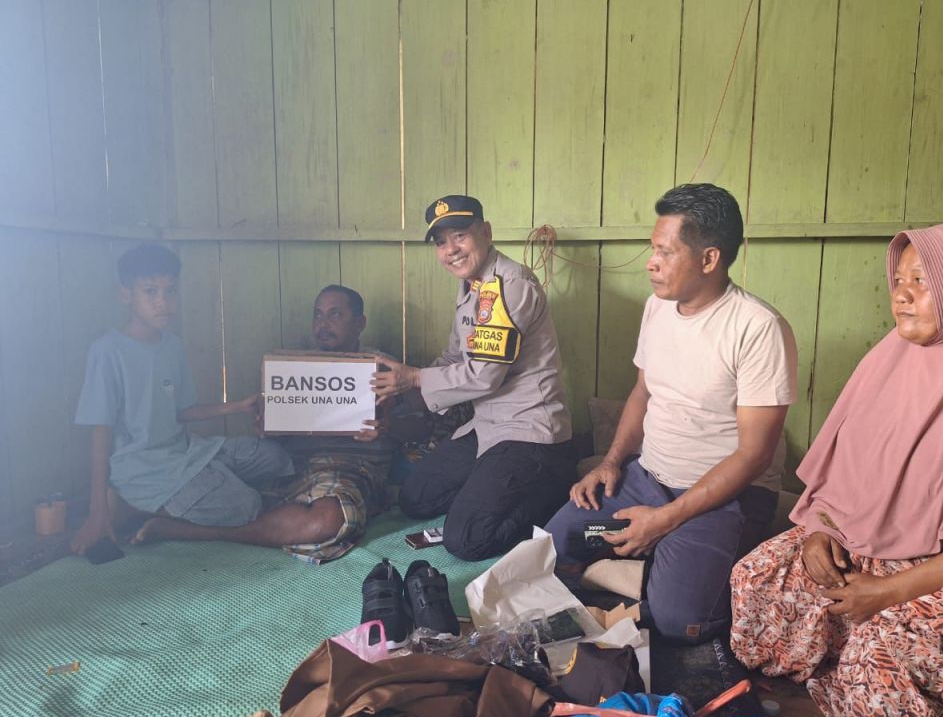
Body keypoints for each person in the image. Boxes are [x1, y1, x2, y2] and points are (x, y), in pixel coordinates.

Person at [730, 223, 943, 717]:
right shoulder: (888, 362)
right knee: (758, 580)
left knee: (885, 679)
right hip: (867, 547)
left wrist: (888, 591)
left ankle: (869, 680)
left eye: (923, 281)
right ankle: (840, 671)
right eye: (899, 279)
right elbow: (840, 478)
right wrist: (818, 533)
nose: (902, 294)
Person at [544, 183, 797, 643]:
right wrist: (611, 462)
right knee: (550, 549)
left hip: (723, 497)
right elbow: (642, 392)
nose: (651, 262)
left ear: (709, 259)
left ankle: (659, 567)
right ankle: (653, 564)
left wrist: (666, 519)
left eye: (665, 251)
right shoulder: (656, 308)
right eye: (653, 249)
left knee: (680, 622)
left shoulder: (758, 328)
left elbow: (754, 456)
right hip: (647, 479)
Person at [130, 283, 402, 560]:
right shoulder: (294, 364)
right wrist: (268, 426)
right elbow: (275, 433)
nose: (323, 324)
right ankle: (136, 507)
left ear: (359, 323)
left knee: (329, 519)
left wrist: (387, 426)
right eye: (317, 315)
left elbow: (418, 428)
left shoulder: (383, 367)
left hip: (349, 470)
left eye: (335, 315)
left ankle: (191, 531)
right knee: (207, 468)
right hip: (290, 466)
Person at [371, 194, 575, 561]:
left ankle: (553, 487)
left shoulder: (510, 285)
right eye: (440, 242)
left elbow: (484, 376)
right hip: (486, 426)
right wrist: (398, 391)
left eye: (459, 236)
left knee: (466, 539)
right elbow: (453, 357)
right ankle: (490, 486)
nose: (450, 250)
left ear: (486, 232)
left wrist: (414, 378)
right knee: (416, 498)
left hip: (527, 432)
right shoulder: (472, 287)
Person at [71, 244, 294, 555]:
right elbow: (100, 432)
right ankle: (135, 507)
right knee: (247, 506)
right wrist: (97, 511)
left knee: (276, 459)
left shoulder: (172, 346)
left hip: (188, 452)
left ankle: (200, 487)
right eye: (150, 291)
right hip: (146, 470)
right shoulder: (108, 351)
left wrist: (238, 406)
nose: (163, 302)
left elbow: (183, 411)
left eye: (170, 291)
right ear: (126, 295)